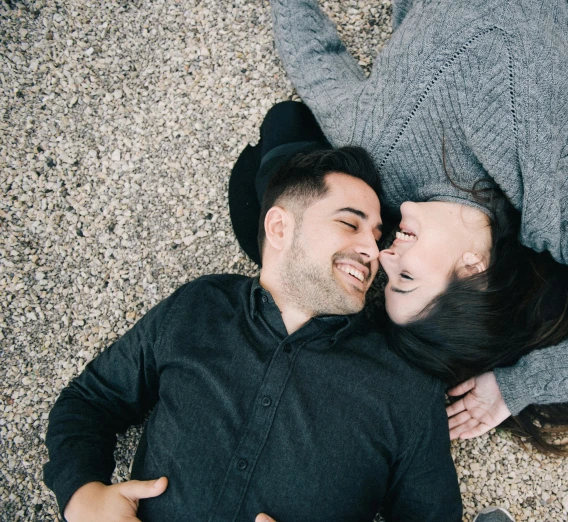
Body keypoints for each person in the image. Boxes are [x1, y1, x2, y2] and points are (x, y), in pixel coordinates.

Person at [257, 0, 568, 450]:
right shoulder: (555, 192)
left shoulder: (374, 156)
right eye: (407, 278)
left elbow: (312, 59)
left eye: (387, 274)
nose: (385, 254)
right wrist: (513, 388)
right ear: (473, 269)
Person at [43, 128, 462, 521]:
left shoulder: (405, 383)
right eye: (349, 223)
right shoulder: (200, 307)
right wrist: (81, 495)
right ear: (280, 227)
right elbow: (90, 399)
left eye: (376, 235)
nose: (373, 249)